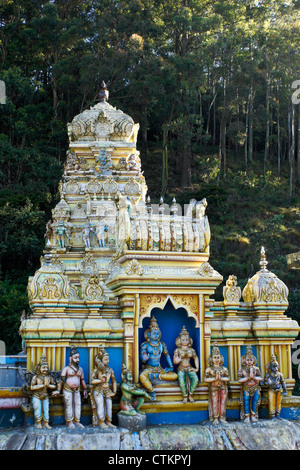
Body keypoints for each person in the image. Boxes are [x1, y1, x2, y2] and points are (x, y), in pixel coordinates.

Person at [139, 316, 177, 401]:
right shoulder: (145, 345)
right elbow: (142, 359)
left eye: (157, 333)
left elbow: (167, 355)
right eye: (153, 333)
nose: (156, 335)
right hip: (149, 369)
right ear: (149, 334)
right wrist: (144, 358)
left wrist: (171, 367)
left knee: (175, 375)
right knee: (141, 376)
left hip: (159, 369)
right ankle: (152, 391)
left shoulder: (161, 344)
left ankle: (156, 376)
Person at [59, 346, 88, 428]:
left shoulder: (80, 369)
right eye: (75, 358)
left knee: (78, 404)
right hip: (67, 389)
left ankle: (77, 420)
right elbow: (61, 380)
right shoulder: (66, 369)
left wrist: (85, 389)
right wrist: (58, 390)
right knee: (69, 405)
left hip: (77, 390)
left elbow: (82, 380)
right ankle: (70, 421)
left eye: (78, 358)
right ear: (70, 358)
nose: (77, 360)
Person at [90, 344, 117, 428]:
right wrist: (100, 380)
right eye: (105, 359)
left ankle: (109, 421)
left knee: (109, 405)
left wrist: (114, 392)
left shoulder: (110, 370)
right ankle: (101, 421)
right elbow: (91, 380)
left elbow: (114, 381)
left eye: (108, 359)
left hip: (107, 390)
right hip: (98, 390)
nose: (108, 361)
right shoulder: (97, 370)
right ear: (101, 360)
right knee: (100, 405)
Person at [204, 342, 229, 425]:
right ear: (211, 359)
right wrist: (214, 378)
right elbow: (205, 379)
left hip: (223, 388)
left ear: (221, 358)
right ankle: (215, 417)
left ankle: (222, 417)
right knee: (214, 403)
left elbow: (228, 378)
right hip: (214, 388)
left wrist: (221, 378)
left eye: (218, 357)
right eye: (215, 358)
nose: (217, 360)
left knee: (222, 403)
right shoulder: (209, 369)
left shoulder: (224, 369)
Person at [30, 354, 57, 429]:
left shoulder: (49, 377)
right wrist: (41, 386)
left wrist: (48, 386)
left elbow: (54, 386)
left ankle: (46, 423)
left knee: (46, 410)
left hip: (45, 396)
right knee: (38, 409)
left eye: (46, 368)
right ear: (39, 368)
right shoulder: (36, 377)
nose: (45, 369)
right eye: (43, 367)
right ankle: (38, 423)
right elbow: (32, 387)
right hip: (37, 396)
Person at [173, 326, 199, 403]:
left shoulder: (191, 350)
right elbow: (175, 361)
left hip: (189, 367)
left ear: (189, 340)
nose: (185, 341)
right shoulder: (177, 350)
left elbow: (196, 358)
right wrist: (177, 360)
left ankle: (190, 394)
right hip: (181, 368)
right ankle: (185, 396)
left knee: (195, 379)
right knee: (181, 381)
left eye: (187, 339)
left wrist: (197, 368)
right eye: (183, 340)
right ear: (179, 340)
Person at [238, 345, 262, 423]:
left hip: (255, 387)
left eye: (250, 360)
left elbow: (261, 378)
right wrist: (248, 378)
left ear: (253, 361)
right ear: (244, 360)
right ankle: (247, 416)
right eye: (247, 360)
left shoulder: (256, 369)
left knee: (255, 401)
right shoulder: (242, 369)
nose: (249, 361)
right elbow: (239, 380)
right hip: (246, 388)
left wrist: (254, 378)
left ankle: (253, 415)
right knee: (246, 401)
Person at [264, 355, 287, 419]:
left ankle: (278, 414)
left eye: (276, 366)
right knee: (272, 402)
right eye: (274, 366)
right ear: (270, 367)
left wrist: (285, 390)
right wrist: (268, 383)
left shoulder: (280, 374)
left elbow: (282, 382)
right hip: (271, 389)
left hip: (279, 389)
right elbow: (264, 383)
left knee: (278, 403)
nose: (275, 368)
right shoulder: (268, 374)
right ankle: (272, 415)